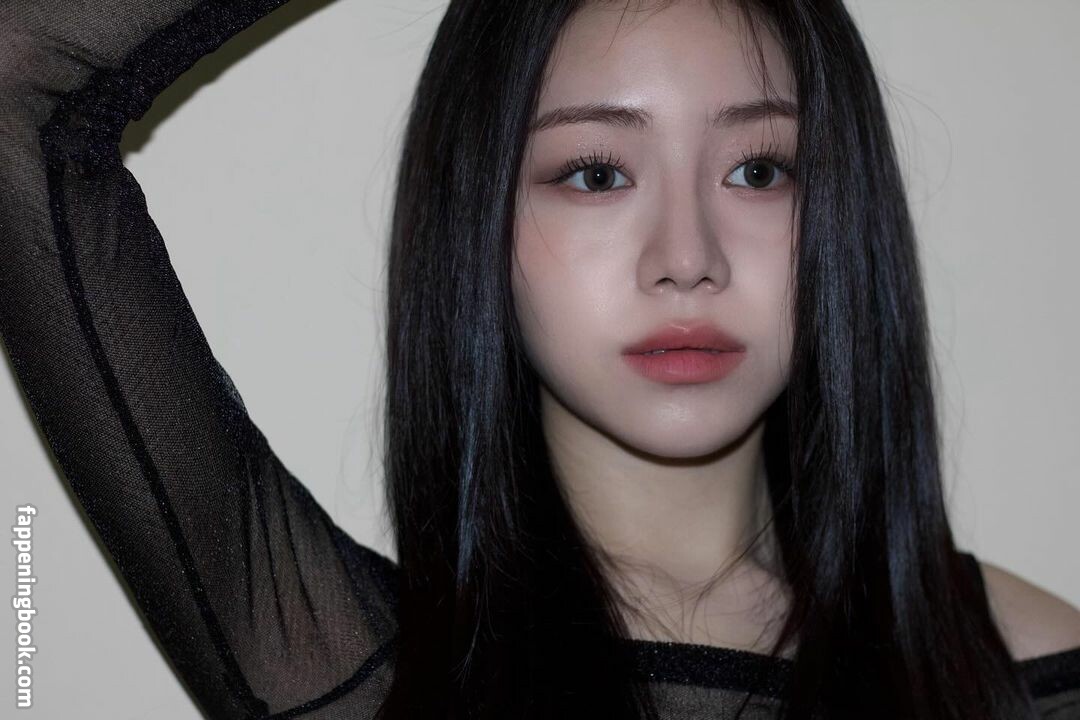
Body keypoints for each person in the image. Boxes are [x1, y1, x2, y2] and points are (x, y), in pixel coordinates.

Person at [0, 0, 1077, 718]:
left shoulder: (1032, 674)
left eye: (759, 170)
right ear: (479, 222)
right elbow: (22, 68)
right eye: (597, 173)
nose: (687, 258)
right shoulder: (345, 661)